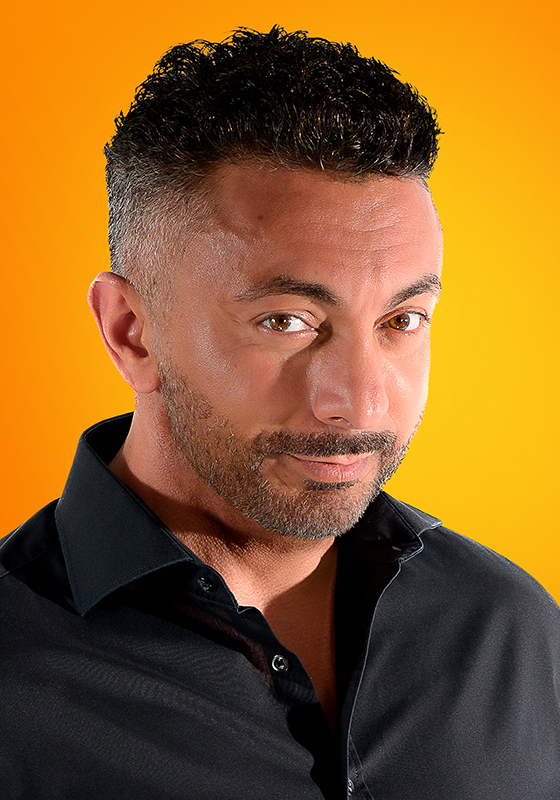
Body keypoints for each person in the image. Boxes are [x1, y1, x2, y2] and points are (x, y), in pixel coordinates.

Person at [1, 26, 559, 800]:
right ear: (132, 332)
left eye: (401, 320)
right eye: (287, 321)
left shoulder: (509, 628)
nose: (360, 402)